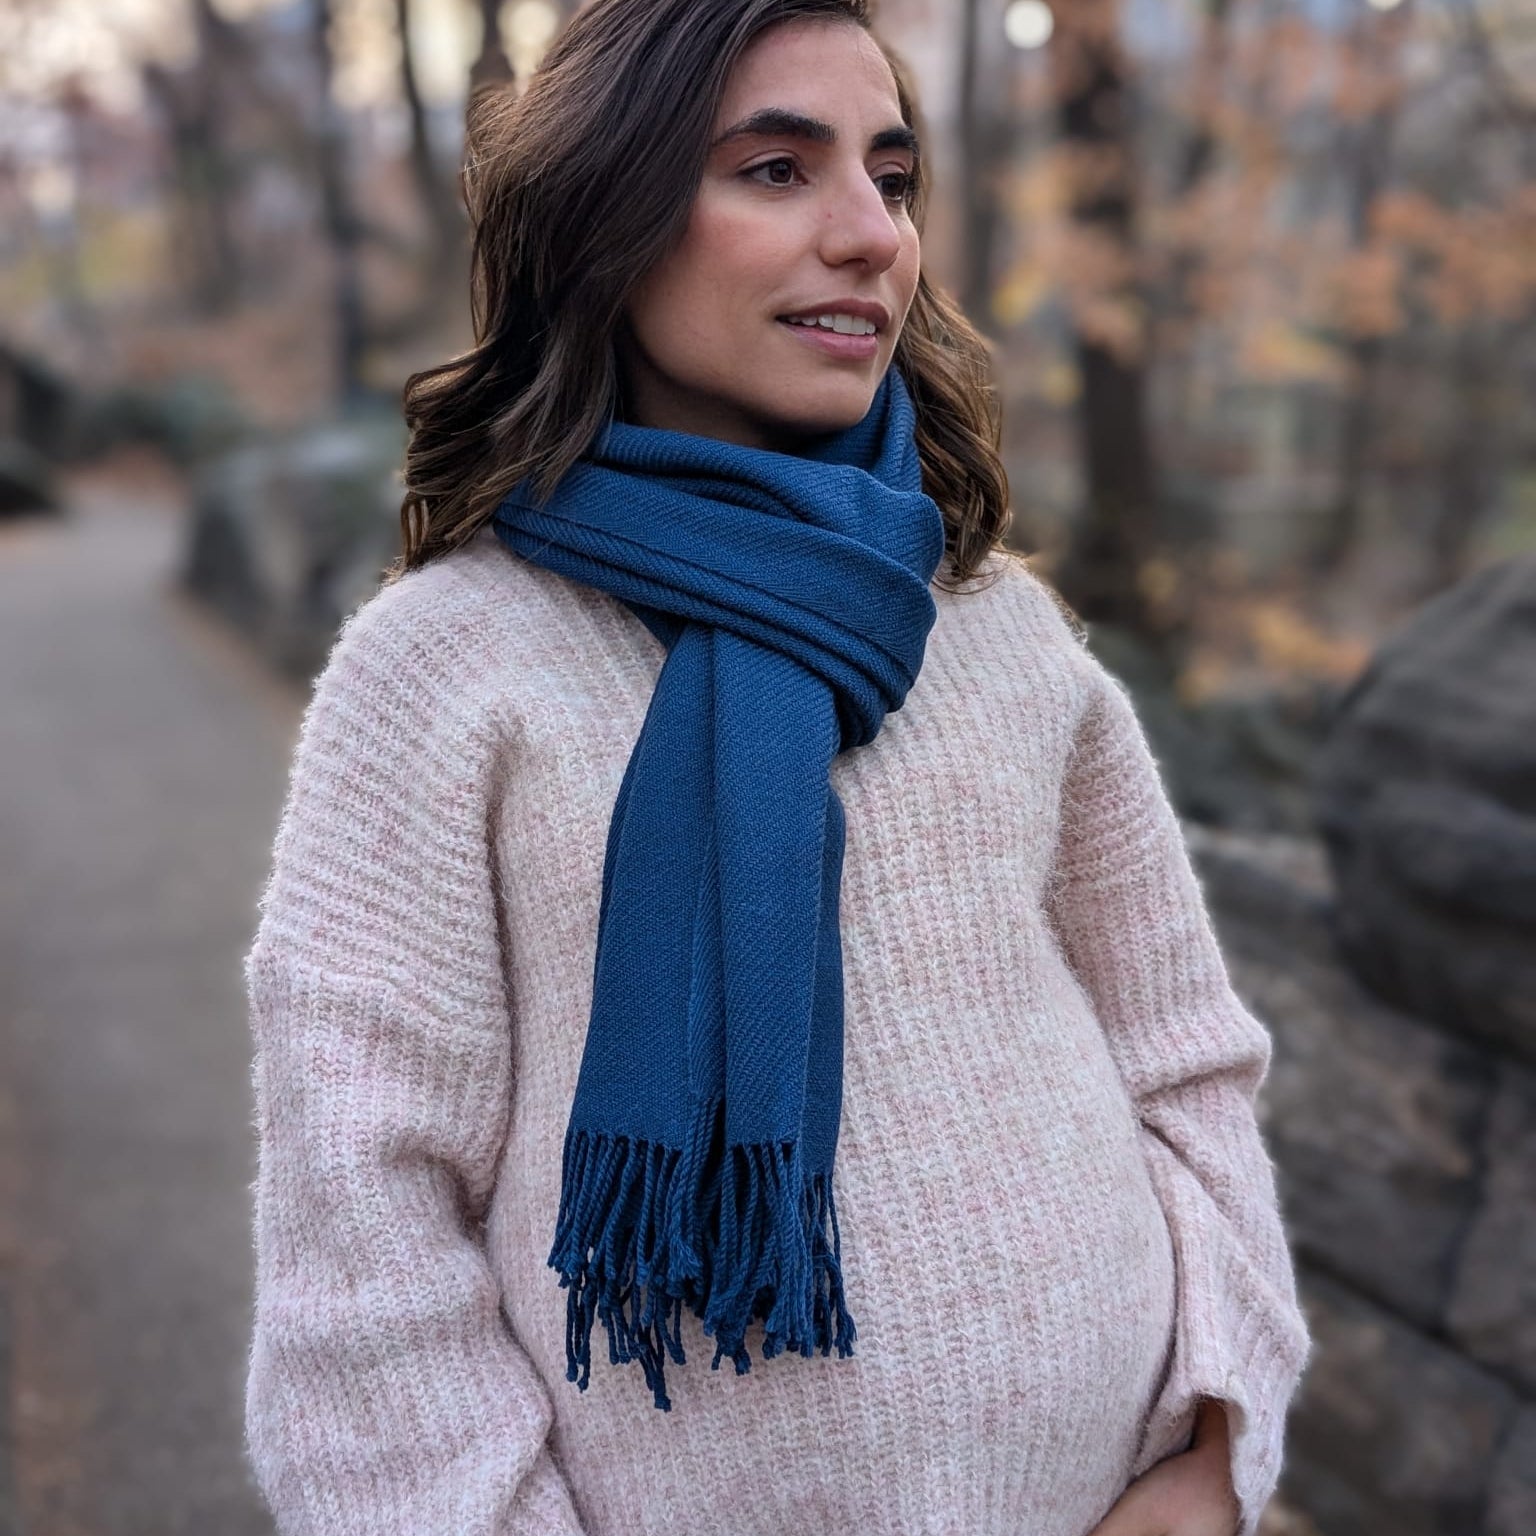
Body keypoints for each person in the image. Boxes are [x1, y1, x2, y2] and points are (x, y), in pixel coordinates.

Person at [240, 1, 1312, 1533]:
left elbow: (1186, 1065)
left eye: (891, 175)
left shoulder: (1001, 635)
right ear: (606, 222)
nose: (869, 233)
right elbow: (365, 1236)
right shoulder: (448, 673)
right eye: (774, 170)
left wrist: (1212, 1457)